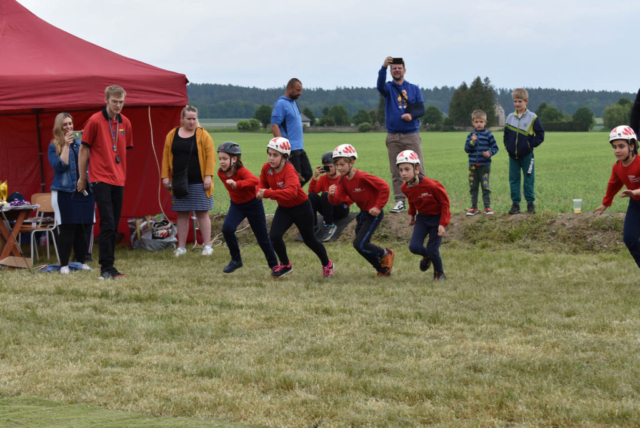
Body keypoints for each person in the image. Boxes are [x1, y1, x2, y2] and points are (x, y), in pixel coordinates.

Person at [257, 137, 333, 279]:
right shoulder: (266, 168)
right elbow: (262, 183)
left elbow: (291, 193)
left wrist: (267, 193)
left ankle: (327, 264)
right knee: (274, 236)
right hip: (284, 208)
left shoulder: (289, 170)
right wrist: (259, 190)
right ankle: (286, 265)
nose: (271, 158)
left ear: (284, 157)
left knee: (309, 240)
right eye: (269, 154)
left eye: (275, 155)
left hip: (301, 208)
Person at [78, 85, 133, 280]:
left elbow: (123, 150)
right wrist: (82, 177)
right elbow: (83, 150)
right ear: (106, 100)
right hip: (100, 178)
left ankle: (110, 266)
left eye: (121, 102)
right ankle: (106, 268)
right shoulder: (94, 121)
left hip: (119, 179)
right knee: (108, 222)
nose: (118, 105)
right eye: (114, 102)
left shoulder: (126, 122)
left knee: (114, 224)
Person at [328, 144, 394, 277]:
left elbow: (384, 187)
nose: (339, 168)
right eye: (336, 164)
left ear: (352, 162)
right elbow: (337, 200)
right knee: (360, 245)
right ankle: (382, 269)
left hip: (374, 214)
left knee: (360, 244)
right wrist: (331, 195)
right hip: (363, 214)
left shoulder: (362, 177)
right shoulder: (343, 179)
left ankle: (386, 253)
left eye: (342, 164)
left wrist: (378, 206)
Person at [217, 141, 278, 274]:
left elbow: (255, 181)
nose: (221, 162)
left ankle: (274, 265)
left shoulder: (241, 171)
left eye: (225, 159)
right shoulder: (220, 173)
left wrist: (237, 184)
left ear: (234, 159)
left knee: (262, 238)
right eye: (220, 158)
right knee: (227, 229)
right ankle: (236, 260)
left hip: (253, 204)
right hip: (237, 205)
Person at [161, 106, 215, 257]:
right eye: (189, 119)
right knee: (182, 214)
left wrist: (208, 176)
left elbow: (210, 157)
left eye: (194, 119)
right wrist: (165, 176)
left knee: (202, 213)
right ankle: (181, 247)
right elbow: (166, 157)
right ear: (182, 119)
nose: (192, 122)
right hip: (179, 182)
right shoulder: (172, 135)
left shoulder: (203, 135)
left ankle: (207, 246)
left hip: (200, 182)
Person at [377, 56, 425, 213]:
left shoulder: (414, 89)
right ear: (391, 71)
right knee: (397, 171)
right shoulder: (388, 88)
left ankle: (421, 199)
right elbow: (379, 86)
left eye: (399, 68)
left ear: (404, 70)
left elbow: (421, 110)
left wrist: (411, 115)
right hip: (393, 136)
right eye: (394, 68)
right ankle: (400, 201)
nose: (397, 70)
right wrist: (383, 67)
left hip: (411, 134)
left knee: (418, 168)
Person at [48, 113, 94, 274]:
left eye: (70, 124)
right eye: (65, 124)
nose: (69, 127)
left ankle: (81, 262)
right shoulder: (54, 146)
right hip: (65, 192)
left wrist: (87, 141)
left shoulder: (81, 143)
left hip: (85, 191)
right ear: (59, 127)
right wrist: (66, 146)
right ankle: (64, 265)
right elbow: (60, 166)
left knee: (84, 227)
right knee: (67, 228)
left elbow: (92, 161)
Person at [397, 150, 450, 281]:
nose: (403, 173)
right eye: (401, 170)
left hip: (437, 218)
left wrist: (442, 224)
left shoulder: (432, 185)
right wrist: (412, 213)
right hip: (422, 218)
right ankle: (427, 256)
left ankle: (439, 273)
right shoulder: (404, 188)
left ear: (417, 169)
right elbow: (412, 199)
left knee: (433, 249)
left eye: (407, 169)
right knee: (414, 247)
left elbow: (445, 203)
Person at [594, 126, 640, 273]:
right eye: (614, 147)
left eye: (621, 146)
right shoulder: (617, 166)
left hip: (635, 196)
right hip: (636, 205)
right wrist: (605, 203)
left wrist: (634, 191)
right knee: (629, 238)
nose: (617, 150)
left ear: (632, 146)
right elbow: (614, 184)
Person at [503, 88, 545, 214]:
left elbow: (540, 135)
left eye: (520, 101)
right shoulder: (510, 117)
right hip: (513, 156)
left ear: (526, 101)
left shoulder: (533, 117)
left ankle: (530, 204)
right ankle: (515, 205)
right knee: (514, 180)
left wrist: (530, 145)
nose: (517, 104)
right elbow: (506, 135)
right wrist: (508, 146)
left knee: (529, 179)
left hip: (527, 156)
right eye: (515, 101)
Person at [271, 78, 312, 187]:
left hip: (299, 147)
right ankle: (288, 194)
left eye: (301, 90)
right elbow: (274, 125)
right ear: (289, 88)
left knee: (307, 173)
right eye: (298, 90)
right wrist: (282, 148)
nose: (300, 93)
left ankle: (288, 192)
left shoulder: (293, 103)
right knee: (295, 178)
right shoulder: (281, 103)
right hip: (290, 149)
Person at [308, 151, 352, 241]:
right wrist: (315, 177)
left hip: (341, 209)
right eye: (326, 167)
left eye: (331, 166)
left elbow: (351, 198)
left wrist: (336, 195)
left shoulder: (343, 178)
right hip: (327, 210)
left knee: (325, 194)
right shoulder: (323, 178)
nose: (329, 169)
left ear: (336, 166)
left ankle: (329, 225)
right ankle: (314, 225)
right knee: (312, 196)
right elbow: (312, 192)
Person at [465, 110, 499, 215]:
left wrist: (490, 152)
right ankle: (474, 207)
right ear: (472, 123)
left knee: (485, 186)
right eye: (476, 122)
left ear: (485, 122)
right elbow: (467, 149)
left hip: (485, 165)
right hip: (473, 166)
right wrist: (472, 142)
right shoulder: (470, 136)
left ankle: (487, 207)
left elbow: (495, 148)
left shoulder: (489, 135)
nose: (479, 124)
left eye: (481, 121)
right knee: (473, 186)